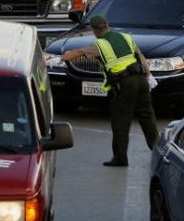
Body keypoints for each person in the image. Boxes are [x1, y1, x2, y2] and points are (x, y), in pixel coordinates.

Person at [61, 15, 158, 167]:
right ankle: (158, 151)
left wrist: (64, 57)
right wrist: (149, 76)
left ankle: (120, 158)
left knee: (121, 121)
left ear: (94, 30)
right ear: (108, 26)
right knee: (147, 117)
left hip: (125, 84)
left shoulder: (100, 44)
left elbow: (79, 52)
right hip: (140, 80)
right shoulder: (126, 37)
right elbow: (140, 57)